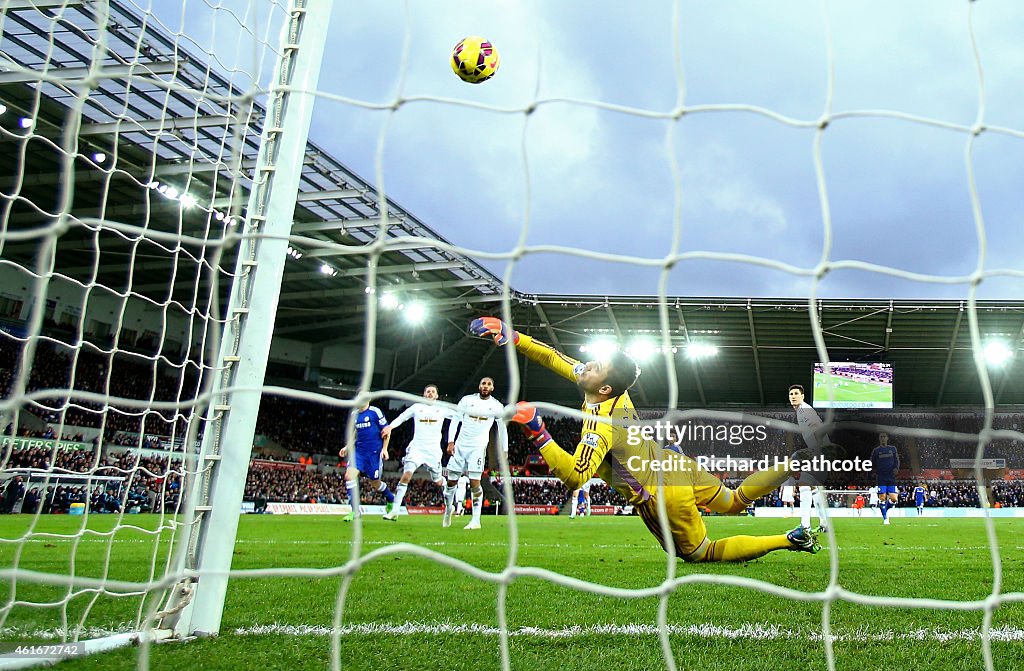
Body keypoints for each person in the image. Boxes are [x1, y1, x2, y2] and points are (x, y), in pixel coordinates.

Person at [470, 317, 821, 561]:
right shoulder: (610, 391)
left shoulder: (599, 426)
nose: (585, 365)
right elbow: (553, 357)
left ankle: (788, 540)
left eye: (594, 367)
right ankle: (792, 463)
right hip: (674, 464)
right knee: (732, 500)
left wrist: (537, 430)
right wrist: (511, 336)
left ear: (604, 387)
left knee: (700, 553)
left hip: (659, 495)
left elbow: (576, 477)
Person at [443, 377, 508, 530]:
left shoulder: (496, 406)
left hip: (478, 448)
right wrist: (450, 441)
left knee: (475, 482)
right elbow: (455, 419)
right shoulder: (466, 401)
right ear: (479, 386)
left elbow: (502, 428)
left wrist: (504, 450)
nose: (485, 386)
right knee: (451, 482)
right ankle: (447, 510)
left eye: (489, 384)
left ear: (492, 388)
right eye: (483, 383)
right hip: (460, 446)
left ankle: (476, 520)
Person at [380, 384, 449, 521]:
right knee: (406, 476)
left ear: (436, 395)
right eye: (427, 391)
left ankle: (450, 499)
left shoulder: (442, 409)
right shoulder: (417, 408)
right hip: (417, 448)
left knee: (438, 481)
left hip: (433, 451)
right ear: (424, 394)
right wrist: (390, 427)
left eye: (432, 392)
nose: (430, 393)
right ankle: (395, 511)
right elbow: (402, 418)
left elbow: (460, 416)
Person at [339, 400, 395, 522]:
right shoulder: (355, 414)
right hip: (359, 453)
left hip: (374, 454)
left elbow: (386, 430)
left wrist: (385, 449)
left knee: (375, 484)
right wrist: (347, 446)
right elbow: (354, 433)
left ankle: (390, 498)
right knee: (349, 476)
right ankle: (355, 511)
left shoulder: (375, 412)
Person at [787, 384, 831, 533]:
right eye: (791, 394)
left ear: (802, 396)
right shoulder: (801, 410)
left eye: (796, 393)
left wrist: (818, 451)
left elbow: (818, 426)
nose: (793, 396)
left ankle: (805, 526)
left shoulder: (805, 410)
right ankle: (824, 523)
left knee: (804, 485)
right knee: (813, 489)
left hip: (820, 452)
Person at [870, 432, 899, 525]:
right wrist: (874, 471)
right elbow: (872, 462)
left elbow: (896, 460)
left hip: (891, 476)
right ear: (879, 439)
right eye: (881, 437)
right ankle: (886, 519)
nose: (882, 438)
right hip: (881, 477)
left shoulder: (892, 449)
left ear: (887, 438)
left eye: (884, 436)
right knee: (882, 497)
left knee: (894, 499)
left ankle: (885, 509)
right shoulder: (876, 451)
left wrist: (896, 468)